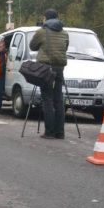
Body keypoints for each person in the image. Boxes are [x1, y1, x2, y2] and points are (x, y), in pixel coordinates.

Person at [30, 9, 69, 139]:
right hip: (59, 68)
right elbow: (65, 47)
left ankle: (49, 132)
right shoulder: (64, 33)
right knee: (58, 99)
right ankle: (60, 132)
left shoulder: (41, 31)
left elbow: (32, 46)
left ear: (45, 18)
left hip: (45, 68)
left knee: (47, 99)